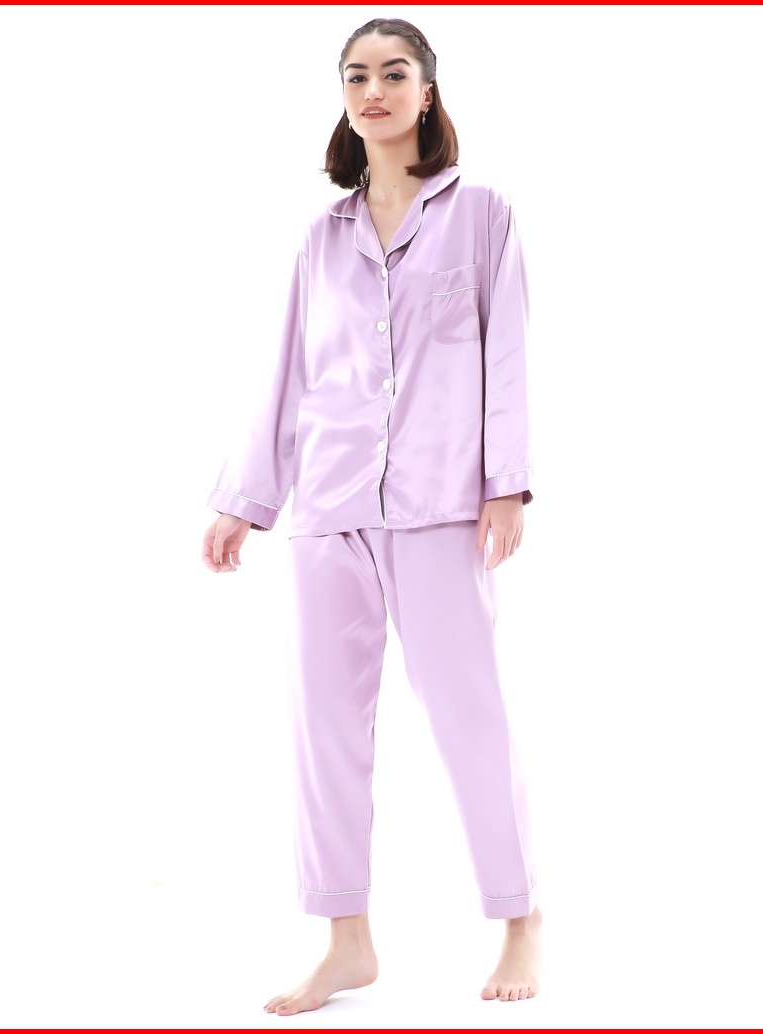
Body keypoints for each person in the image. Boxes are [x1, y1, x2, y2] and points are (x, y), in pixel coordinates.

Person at [202, 16, 542, 1014]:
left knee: (469, 716)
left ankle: (520, 916)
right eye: (356, 76)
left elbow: (508, 353)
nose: (374, 91)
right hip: (329, 508)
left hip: (440, 506)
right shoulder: (321, 238)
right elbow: (286, 373)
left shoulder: (482, 215)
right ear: (343, 98)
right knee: (325, 732)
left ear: (426, 91)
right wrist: (244, 500)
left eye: (394, 74)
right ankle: (346, 940)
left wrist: (505, 481)